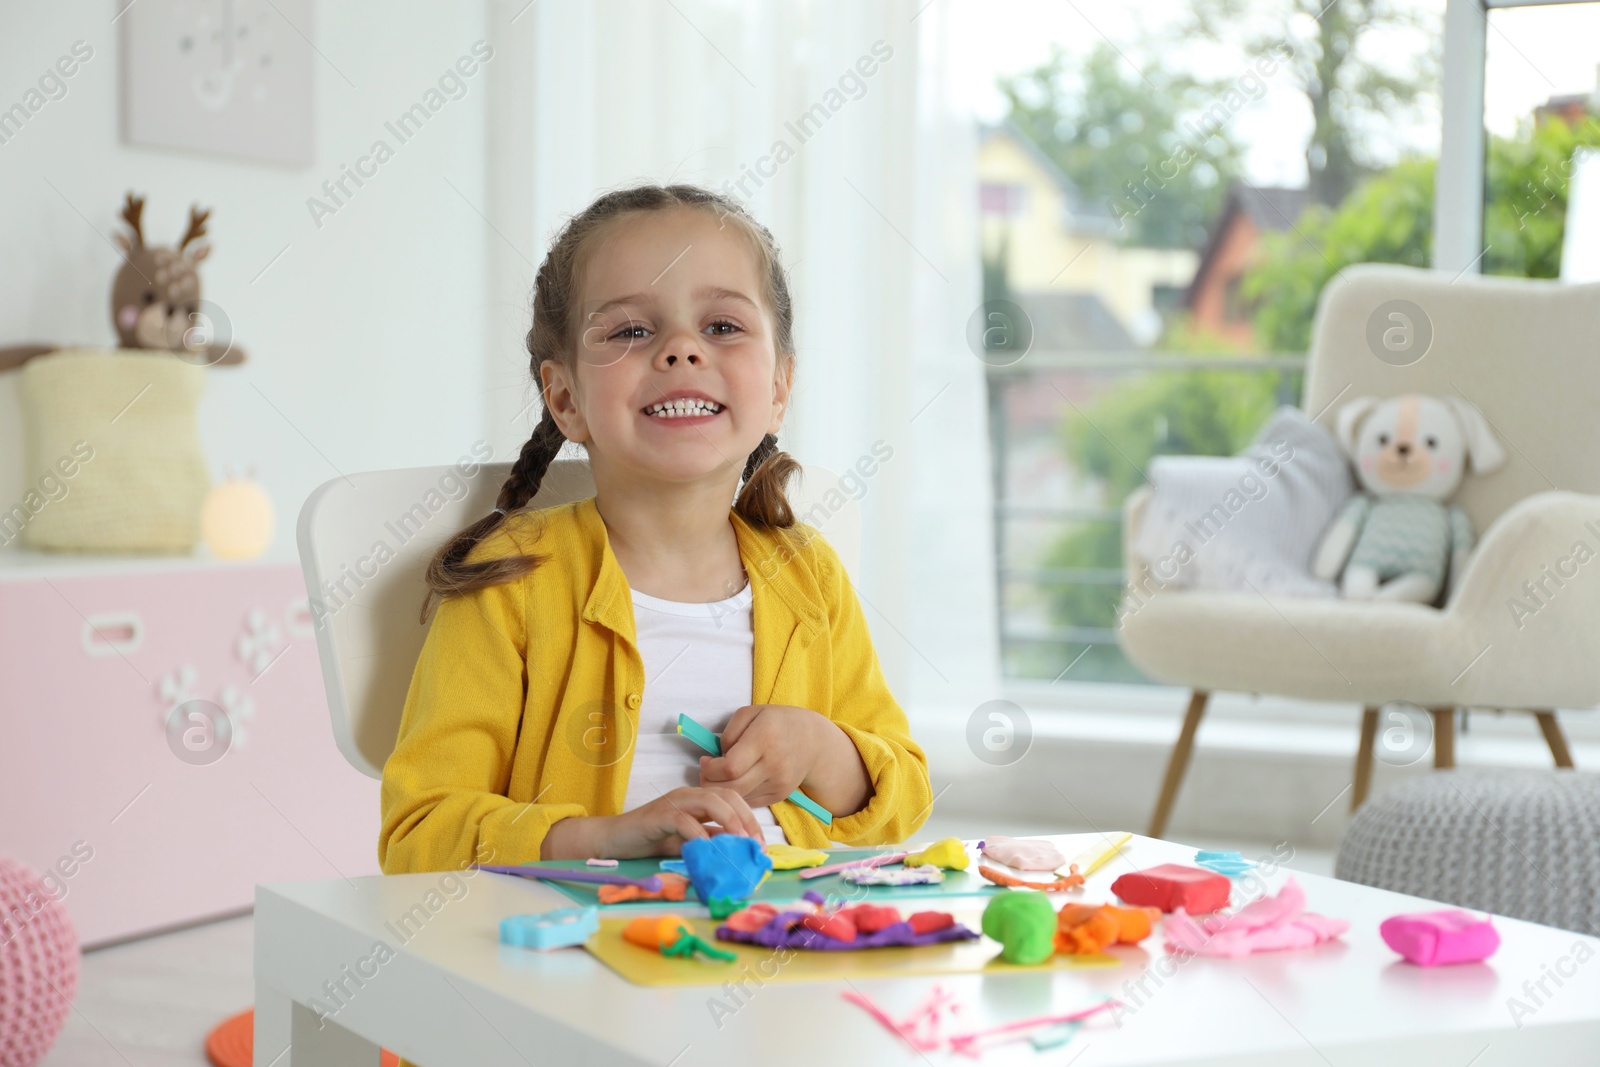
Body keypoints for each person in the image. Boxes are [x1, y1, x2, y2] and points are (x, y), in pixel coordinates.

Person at [379, 183, 930, 873]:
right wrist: (605, 837)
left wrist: (822, 750)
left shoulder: (808, 574)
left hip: (783, 945)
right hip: (576, 961)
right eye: (631, 331)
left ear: (780, 388)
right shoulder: (510, 580)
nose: (680, 350)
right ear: (565, 398)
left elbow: (904, 794)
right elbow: (419, 834)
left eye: (722, 326)